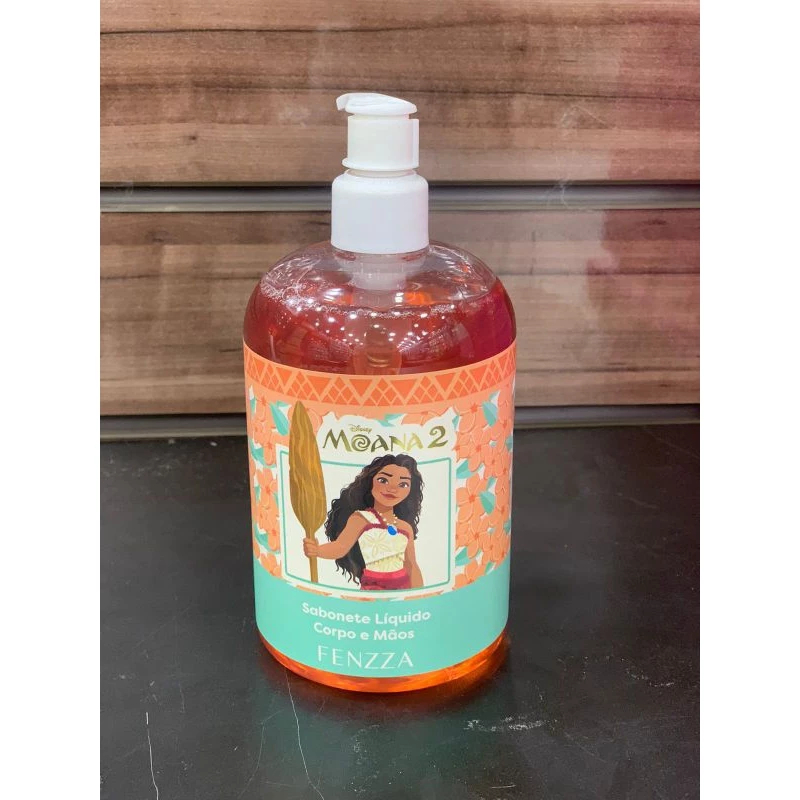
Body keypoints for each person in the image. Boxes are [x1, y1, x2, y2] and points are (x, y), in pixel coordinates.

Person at [303, 454, 424, 590]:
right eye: (383, 480)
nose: (392, 488)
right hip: (374, 587)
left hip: (403, 587)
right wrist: (317, 551)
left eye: (403, 484)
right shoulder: (362, 519)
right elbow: (340, 547)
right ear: (370, 482)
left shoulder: (405, 527)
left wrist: (419, 593)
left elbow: (411, 565)